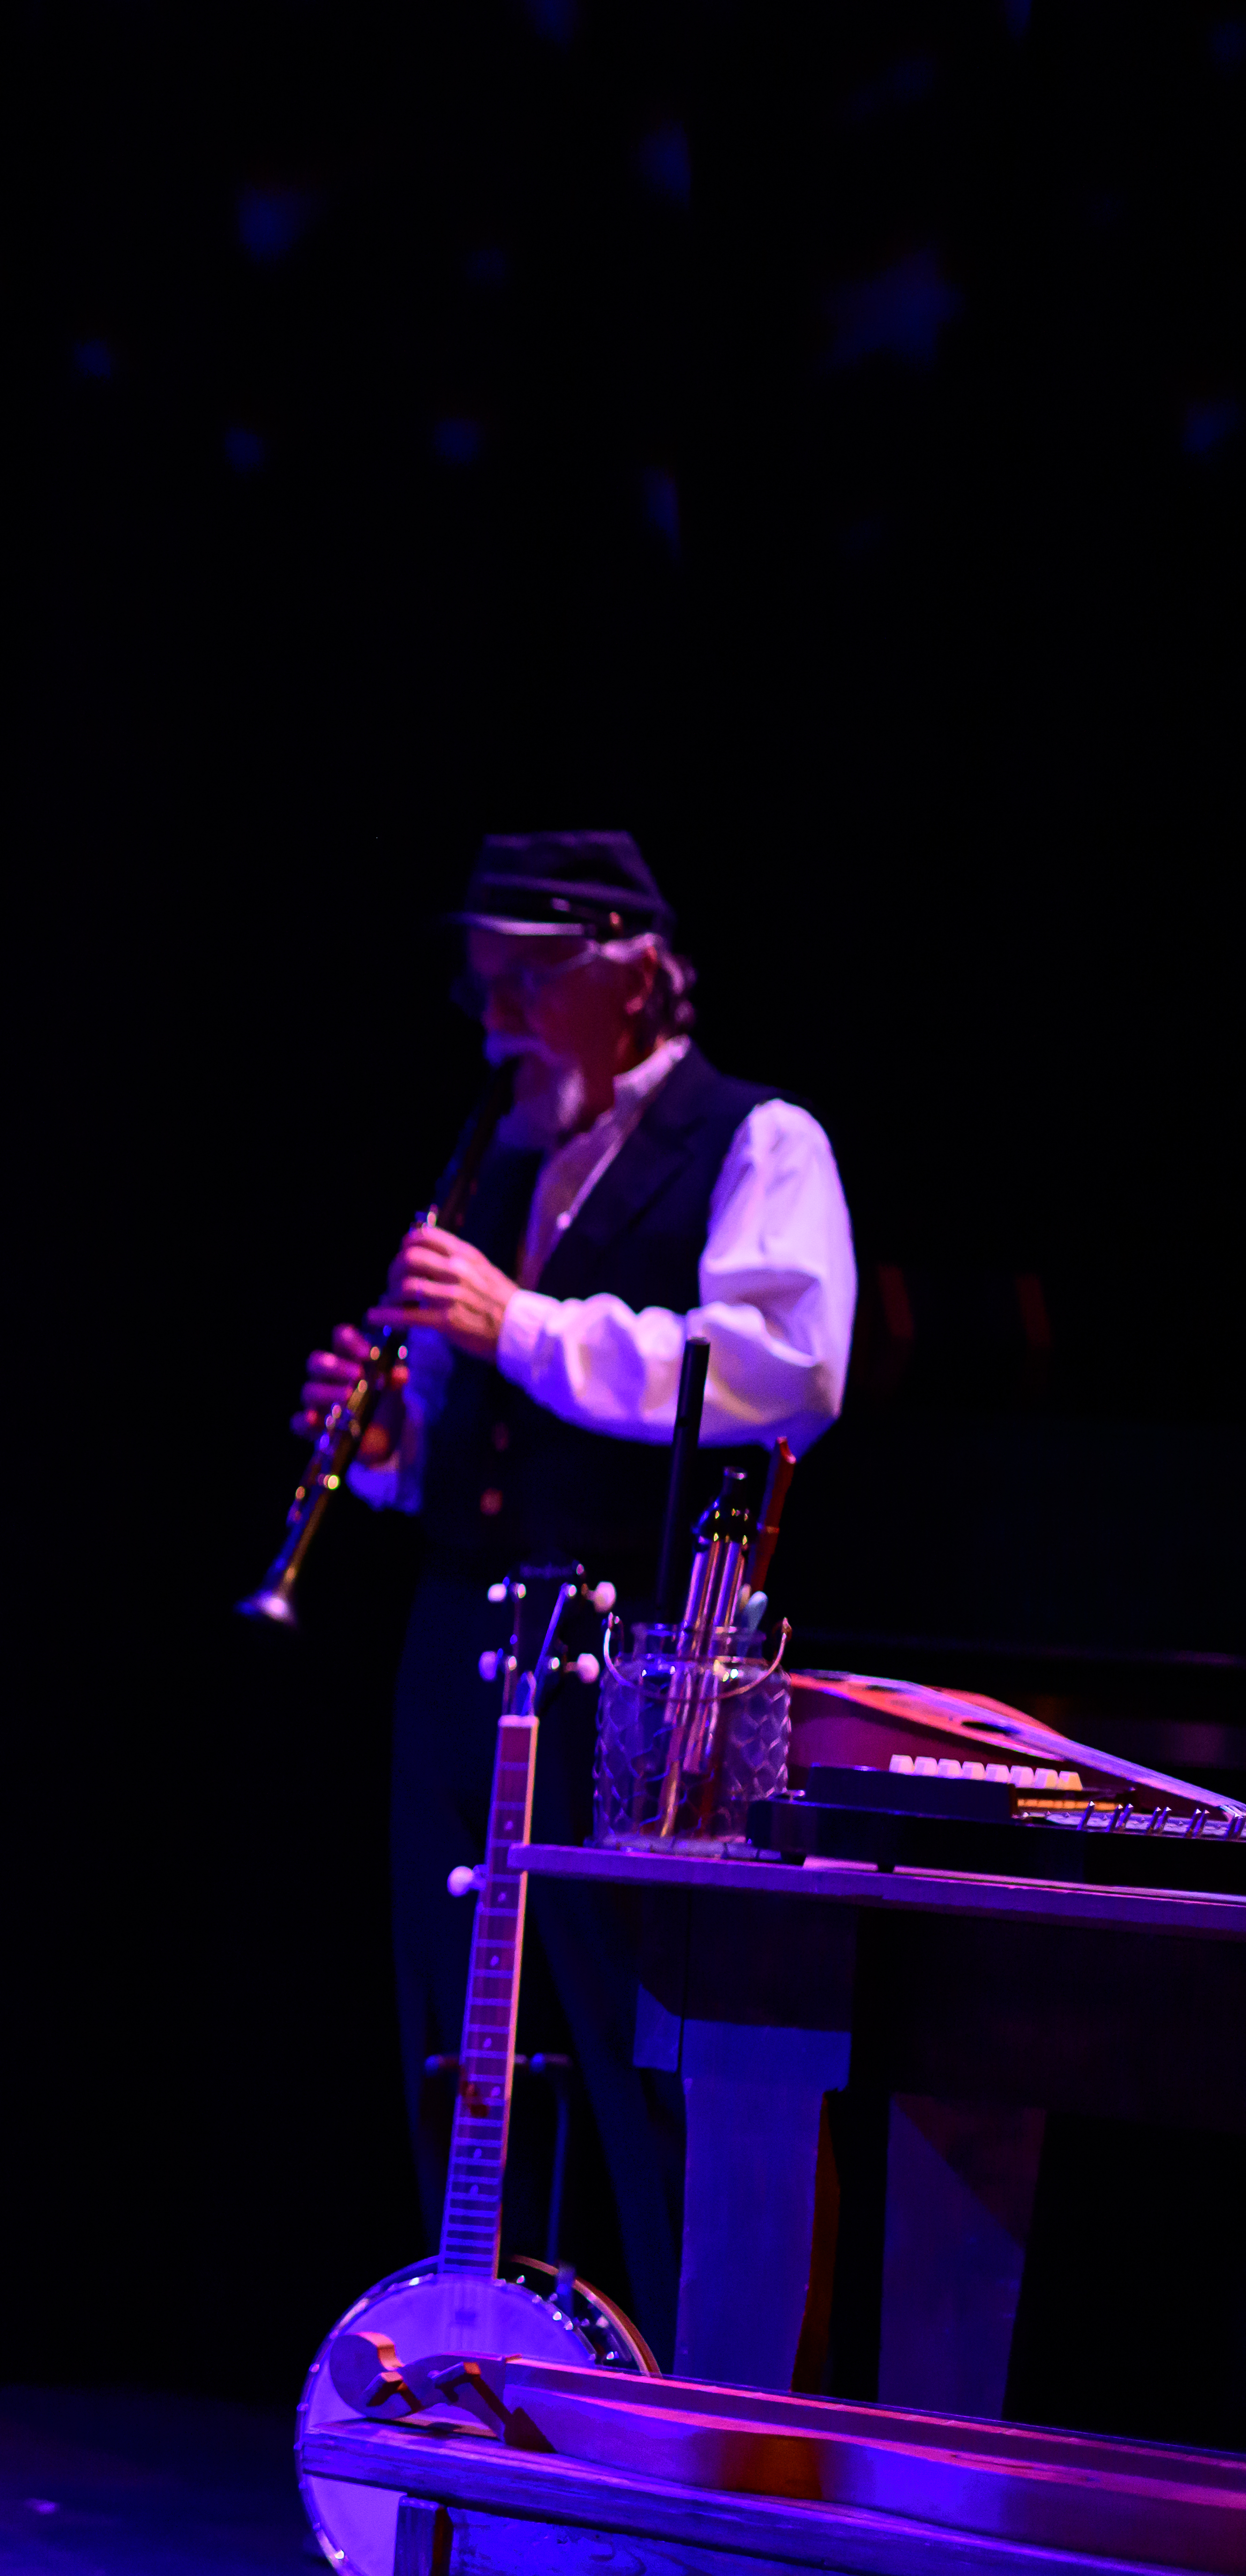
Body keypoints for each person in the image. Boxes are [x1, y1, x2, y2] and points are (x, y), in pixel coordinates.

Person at [297, 833, 856, 2363]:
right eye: (484, 979)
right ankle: (482, 2400)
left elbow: (783, 1373)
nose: (494, 1013)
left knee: (641, 2066)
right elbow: (485, 1440)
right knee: (463, 2050)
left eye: (528, 976)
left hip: (638, 1680)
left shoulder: (758, 1140)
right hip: (461, 1657)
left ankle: (691, 2452)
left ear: (632, 971)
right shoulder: (512, 1151)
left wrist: (523, 1325)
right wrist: (395, 1447)